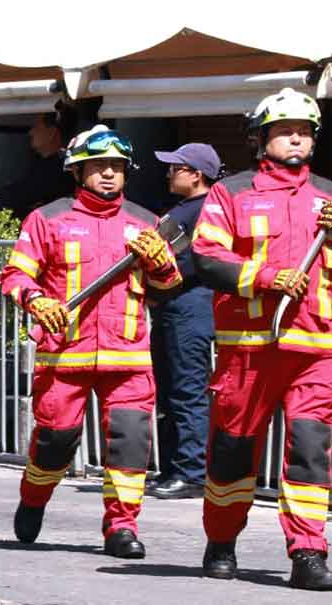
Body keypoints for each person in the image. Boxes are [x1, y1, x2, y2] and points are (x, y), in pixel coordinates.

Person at [0, 125, 181, 559]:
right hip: (65, 354)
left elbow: (169, 283)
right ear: (77, 172)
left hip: (128, 355)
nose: (107, 175)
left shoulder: (146, 222)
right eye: (97, 167)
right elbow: (15, 275)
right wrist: (37, 299)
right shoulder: (47, 219)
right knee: (54, 443)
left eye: (116, 168)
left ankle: (122, 527)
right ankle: (35, 495)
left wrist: (160, 265)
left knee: (131, 441)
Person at [191, 87, 332, 590]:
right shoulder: (231, 193)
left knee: (312, 450)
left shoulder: (327, 197)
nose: (296, 138)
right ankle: (222, 540)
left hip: (314, 348)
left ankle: (309, 551)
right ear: (261, 139)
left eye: (304, 131)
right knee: (233, 451)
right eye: (284, 131)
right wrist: (270, 276)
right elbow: (207, 258)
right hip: (247, 349)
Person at [145, 143, 221, 500]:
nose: (169, 173)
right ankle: (172, 469)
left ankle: (191, 473)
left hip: (190, 305)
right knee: (169, 389)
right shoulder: (182, 208)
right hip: (171, 305)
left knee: (187, 388)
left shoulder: (207, 209)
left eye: (176, 168)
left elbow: (200, 260)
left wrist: (160, 267)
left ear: (196, 174)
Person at [0, 111, 76, 221]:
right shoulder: (45, 163)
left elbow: (22, 194)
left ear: (52, 132)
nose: (31, 132)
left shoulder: (59, 167)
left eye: (36, 126)